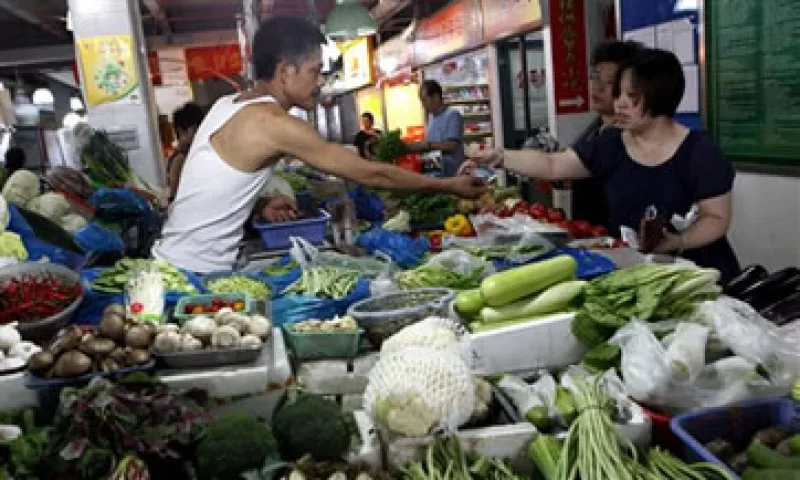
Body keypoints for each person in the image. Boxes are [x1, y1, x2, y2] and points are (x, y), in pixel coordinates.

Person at [153, 16, 486, 274]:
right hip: (195, 273)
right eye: (315, 72)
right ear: (285, 71)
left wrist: (257, 205)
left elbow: (205, 184)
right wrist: (447, 185)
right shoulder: (274, 124)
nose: (320, 83)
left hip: (170, 261)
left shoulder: (226, 104)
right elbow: (371, 175)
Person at [462, 48, 740, 282]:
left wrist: (677, 242)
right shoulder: (610, 144)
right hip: (641, 273)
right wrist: (499, 156)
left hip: (701, 277)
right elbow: (552, 164)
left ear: (659, 95)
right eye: (618, 94)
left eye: (631, 96)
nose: (619, 104)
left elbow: (716, 218)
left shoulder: (700, 151)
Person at [571, 41, 642, 228]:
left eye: (610, 82)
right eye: (595, 77)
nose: (597, 88)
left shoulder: (637, 139)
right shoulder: (593, 131)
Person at [405, 80, 465, 177]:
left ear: (436, 97)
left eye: (425, 100)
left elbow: (451, 145)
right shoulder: (432, 119)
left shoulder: (453, 115)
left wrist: (426, 145)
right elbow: (432, 149)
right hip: (436, 172)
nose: (423, 105)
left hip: (451, 175)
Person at [166, 102, 205, 202]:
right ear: (181, 131)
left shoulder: (190, 154)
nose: (200, 133)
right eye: (195, 129)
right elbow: (176, 194)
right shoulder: (179, 159)